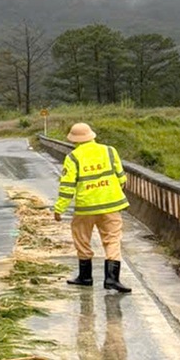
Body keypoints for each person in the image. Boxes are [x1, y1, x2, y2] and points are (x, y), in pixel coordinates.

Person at [53, 123, 131, 293]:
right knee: (112, 240)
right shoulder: (110, 151)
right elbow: (121, 178)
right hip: (111, 206)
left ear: (74, 140)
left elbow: (67, 187)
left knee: (82, 239)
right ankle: (112, 279)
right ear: (92, 136)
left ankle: (85, 277)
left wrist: (59, 209)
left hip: (85, 208)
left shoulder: (73, 157)